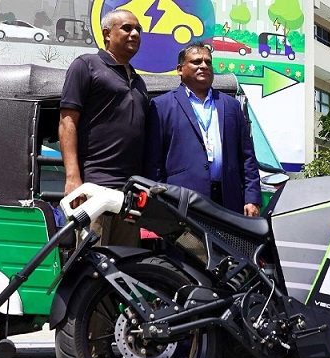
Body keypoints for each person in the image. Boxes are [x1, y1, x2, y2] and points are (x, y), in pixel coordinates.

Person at [58, 9, 146, 246]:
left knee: (124, 268)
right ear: (107, 34)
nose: (135, 33)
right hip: (94, 185)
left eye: (138, 29)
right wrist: (72, 178)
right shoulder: (86, 65)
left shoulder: (139, 81)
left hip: (130, 191)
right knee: (92, 268)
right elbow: (67, 122)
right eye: (127, 28)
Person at [143, 42, 261, 216]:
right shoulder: (162, 106)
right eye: (197, 62)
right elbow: (154, 162)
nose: (204, 66)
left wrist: (252, 198)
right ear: (180, 69)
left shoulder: (231, 106)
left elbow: (247, 157)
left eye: (208, 62)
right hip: (181, 202)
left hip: (227, 201)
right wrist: (158, 202)